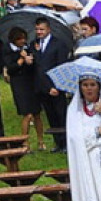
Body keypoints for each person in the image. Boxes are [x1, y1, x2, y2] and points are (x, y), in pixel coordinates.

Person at [2, 27, 44, 152]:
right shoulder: (7, 50)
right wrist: (21, 59)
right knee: (27, 114)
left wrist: (30, 60)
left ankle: (41, 141)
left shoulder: (28, 48)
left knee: (37, 113)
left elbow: (34, 63)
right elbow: (10, 68)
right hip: (19, 84)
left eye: (24, 39)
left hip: (30, 82)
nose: (22, 41)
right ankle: (25, 142)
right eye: (19, 39)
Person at [33, 17, 71, 152]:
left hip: (55, 86)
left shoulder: (58, 44)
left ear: (48, 29)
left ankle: (66, 143)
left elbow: (61, 66)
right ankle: (58, 143)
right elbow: (37, 65)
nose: (39, 32)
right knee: (50, 116)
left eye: (41, 29)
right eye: (37, 29)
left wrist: (57, 86)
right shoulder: (34, 45)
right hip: (41, 86)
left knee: (61, 115)